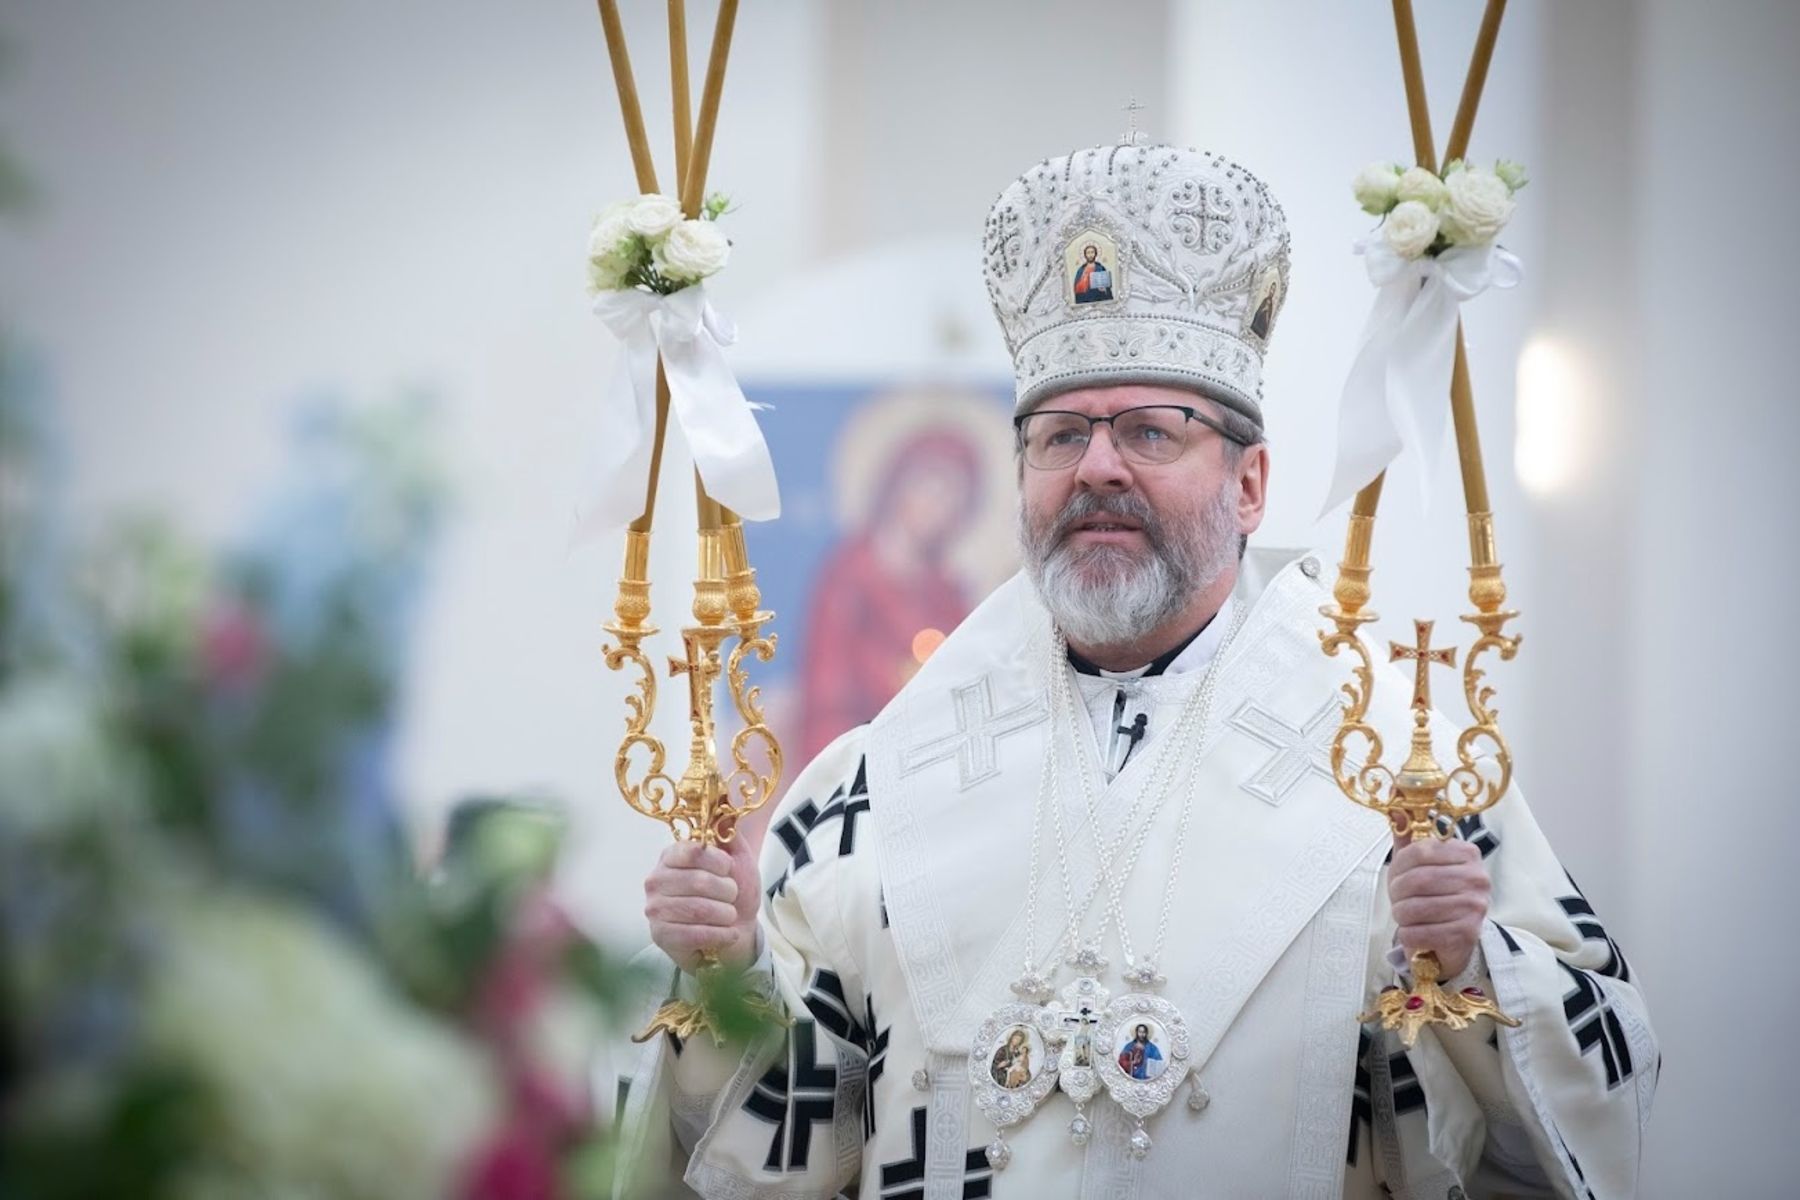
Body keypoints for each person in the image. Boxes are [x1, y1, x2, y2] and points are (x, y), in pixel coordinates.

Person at [617, 143, 1656, 1199]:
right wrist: (725, 970)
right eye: (1060, 435)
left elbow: (1598, 1088)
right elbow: (777, 1146)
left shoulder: (1400, 770)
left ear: (1250, 485)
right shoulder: (874, 785)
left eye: (1151, 433)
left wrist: (1471, 965)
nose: (1098, 468)